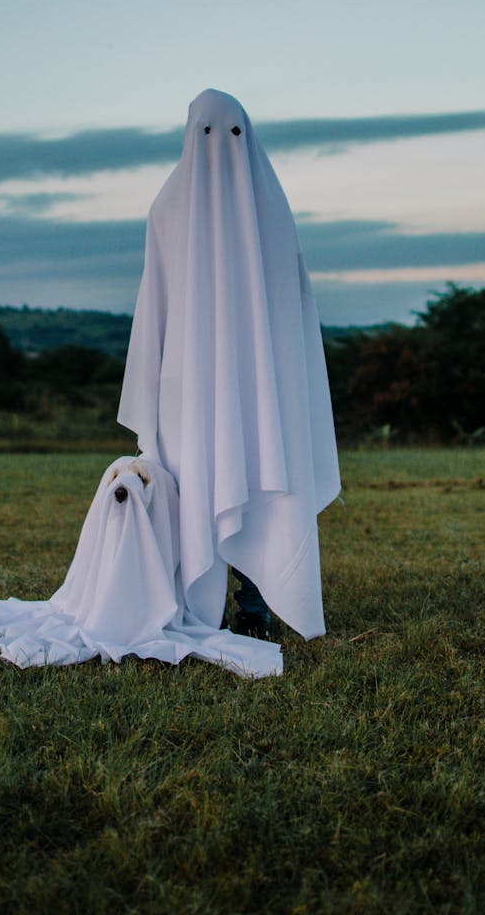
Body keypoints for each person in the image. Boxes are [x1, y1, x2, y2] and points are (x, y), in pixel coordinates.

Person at [118, 88, 340, 641]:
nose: (221, 147)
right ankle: (192, 604)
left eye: (232, 134)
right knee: (198, 487)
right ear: (191, 136)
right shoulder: (167, 211)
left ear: (249, 134)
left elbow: (293, 306)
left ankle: (256, 607)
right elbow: (156, 306)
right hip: (188, 390)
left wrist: (277, 377)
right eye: (208, 134)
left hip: (260, 386)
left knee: (261, 482)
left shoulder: (272, 211)